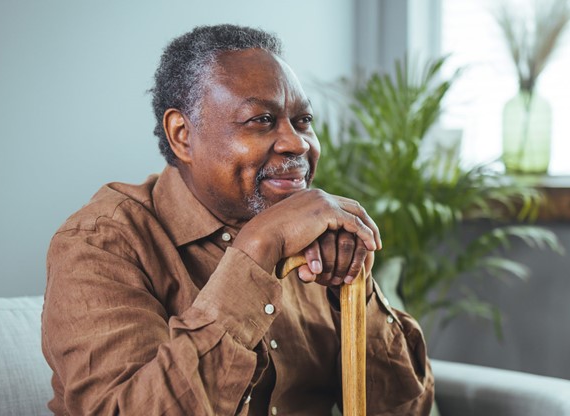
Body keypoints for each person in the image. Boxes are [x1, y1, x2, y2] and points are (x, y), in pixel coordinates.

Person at [42, 24, 434, 415]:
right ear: (182, 134)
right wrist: (258, 248)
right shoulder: (100, 243)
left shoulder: (316, 236)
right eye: (260, 120)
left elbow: (407, 410)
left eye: (303, 120)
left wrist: (355, 294)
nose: (297, 143)